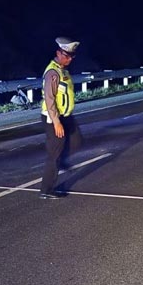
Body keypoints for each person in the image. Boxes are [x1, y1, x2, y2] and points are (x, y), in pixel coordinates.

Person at [39, 37, 83, 199]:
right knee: (54, 155)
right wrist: (56, 122)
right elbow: (50, 99)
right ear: (58, 53)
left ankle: (63, 160)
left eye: (72, 56)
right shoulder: (52, 72)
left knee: (77, 140)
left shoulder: (63, 70)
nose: (69, 59)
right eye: (67, 56)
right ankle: (46, 190)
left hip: (66, 116)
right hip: (53, 117)